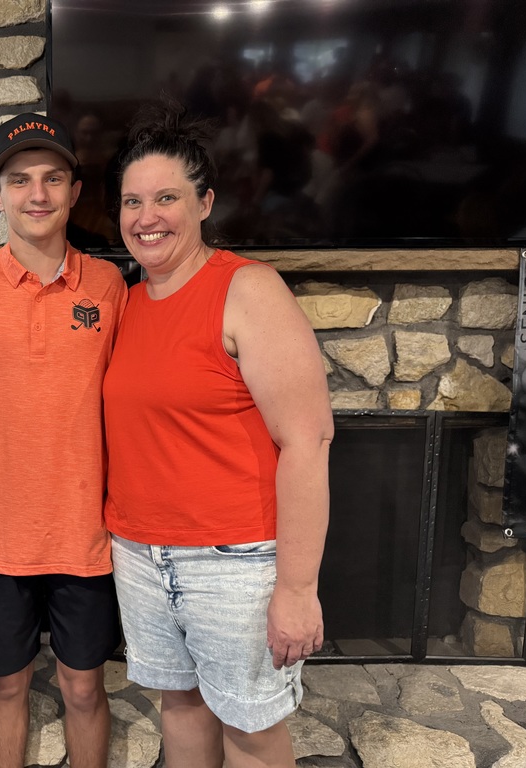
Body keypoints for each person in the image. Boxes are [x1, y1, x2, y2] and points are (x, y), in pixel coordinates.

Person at [103, 103, 334, 767]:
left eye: (166, 198)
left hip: (234, 562)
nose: (146, 217)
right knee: (180, 707)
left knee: (253, 731)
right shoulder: (128, 300)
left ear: (204, 203)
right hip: (141, 554)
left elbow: (309, 440)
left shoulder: (248, 290)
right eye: (132, 201)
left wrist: (296, 589)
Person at [0, 113, 128, 768]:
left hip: (85, 532)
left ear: (75, 192)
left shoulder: (109, 287)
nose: (38, 194)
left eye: (53, 178)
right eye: (20, 180)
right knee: (7, 684)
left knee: (84, 686)